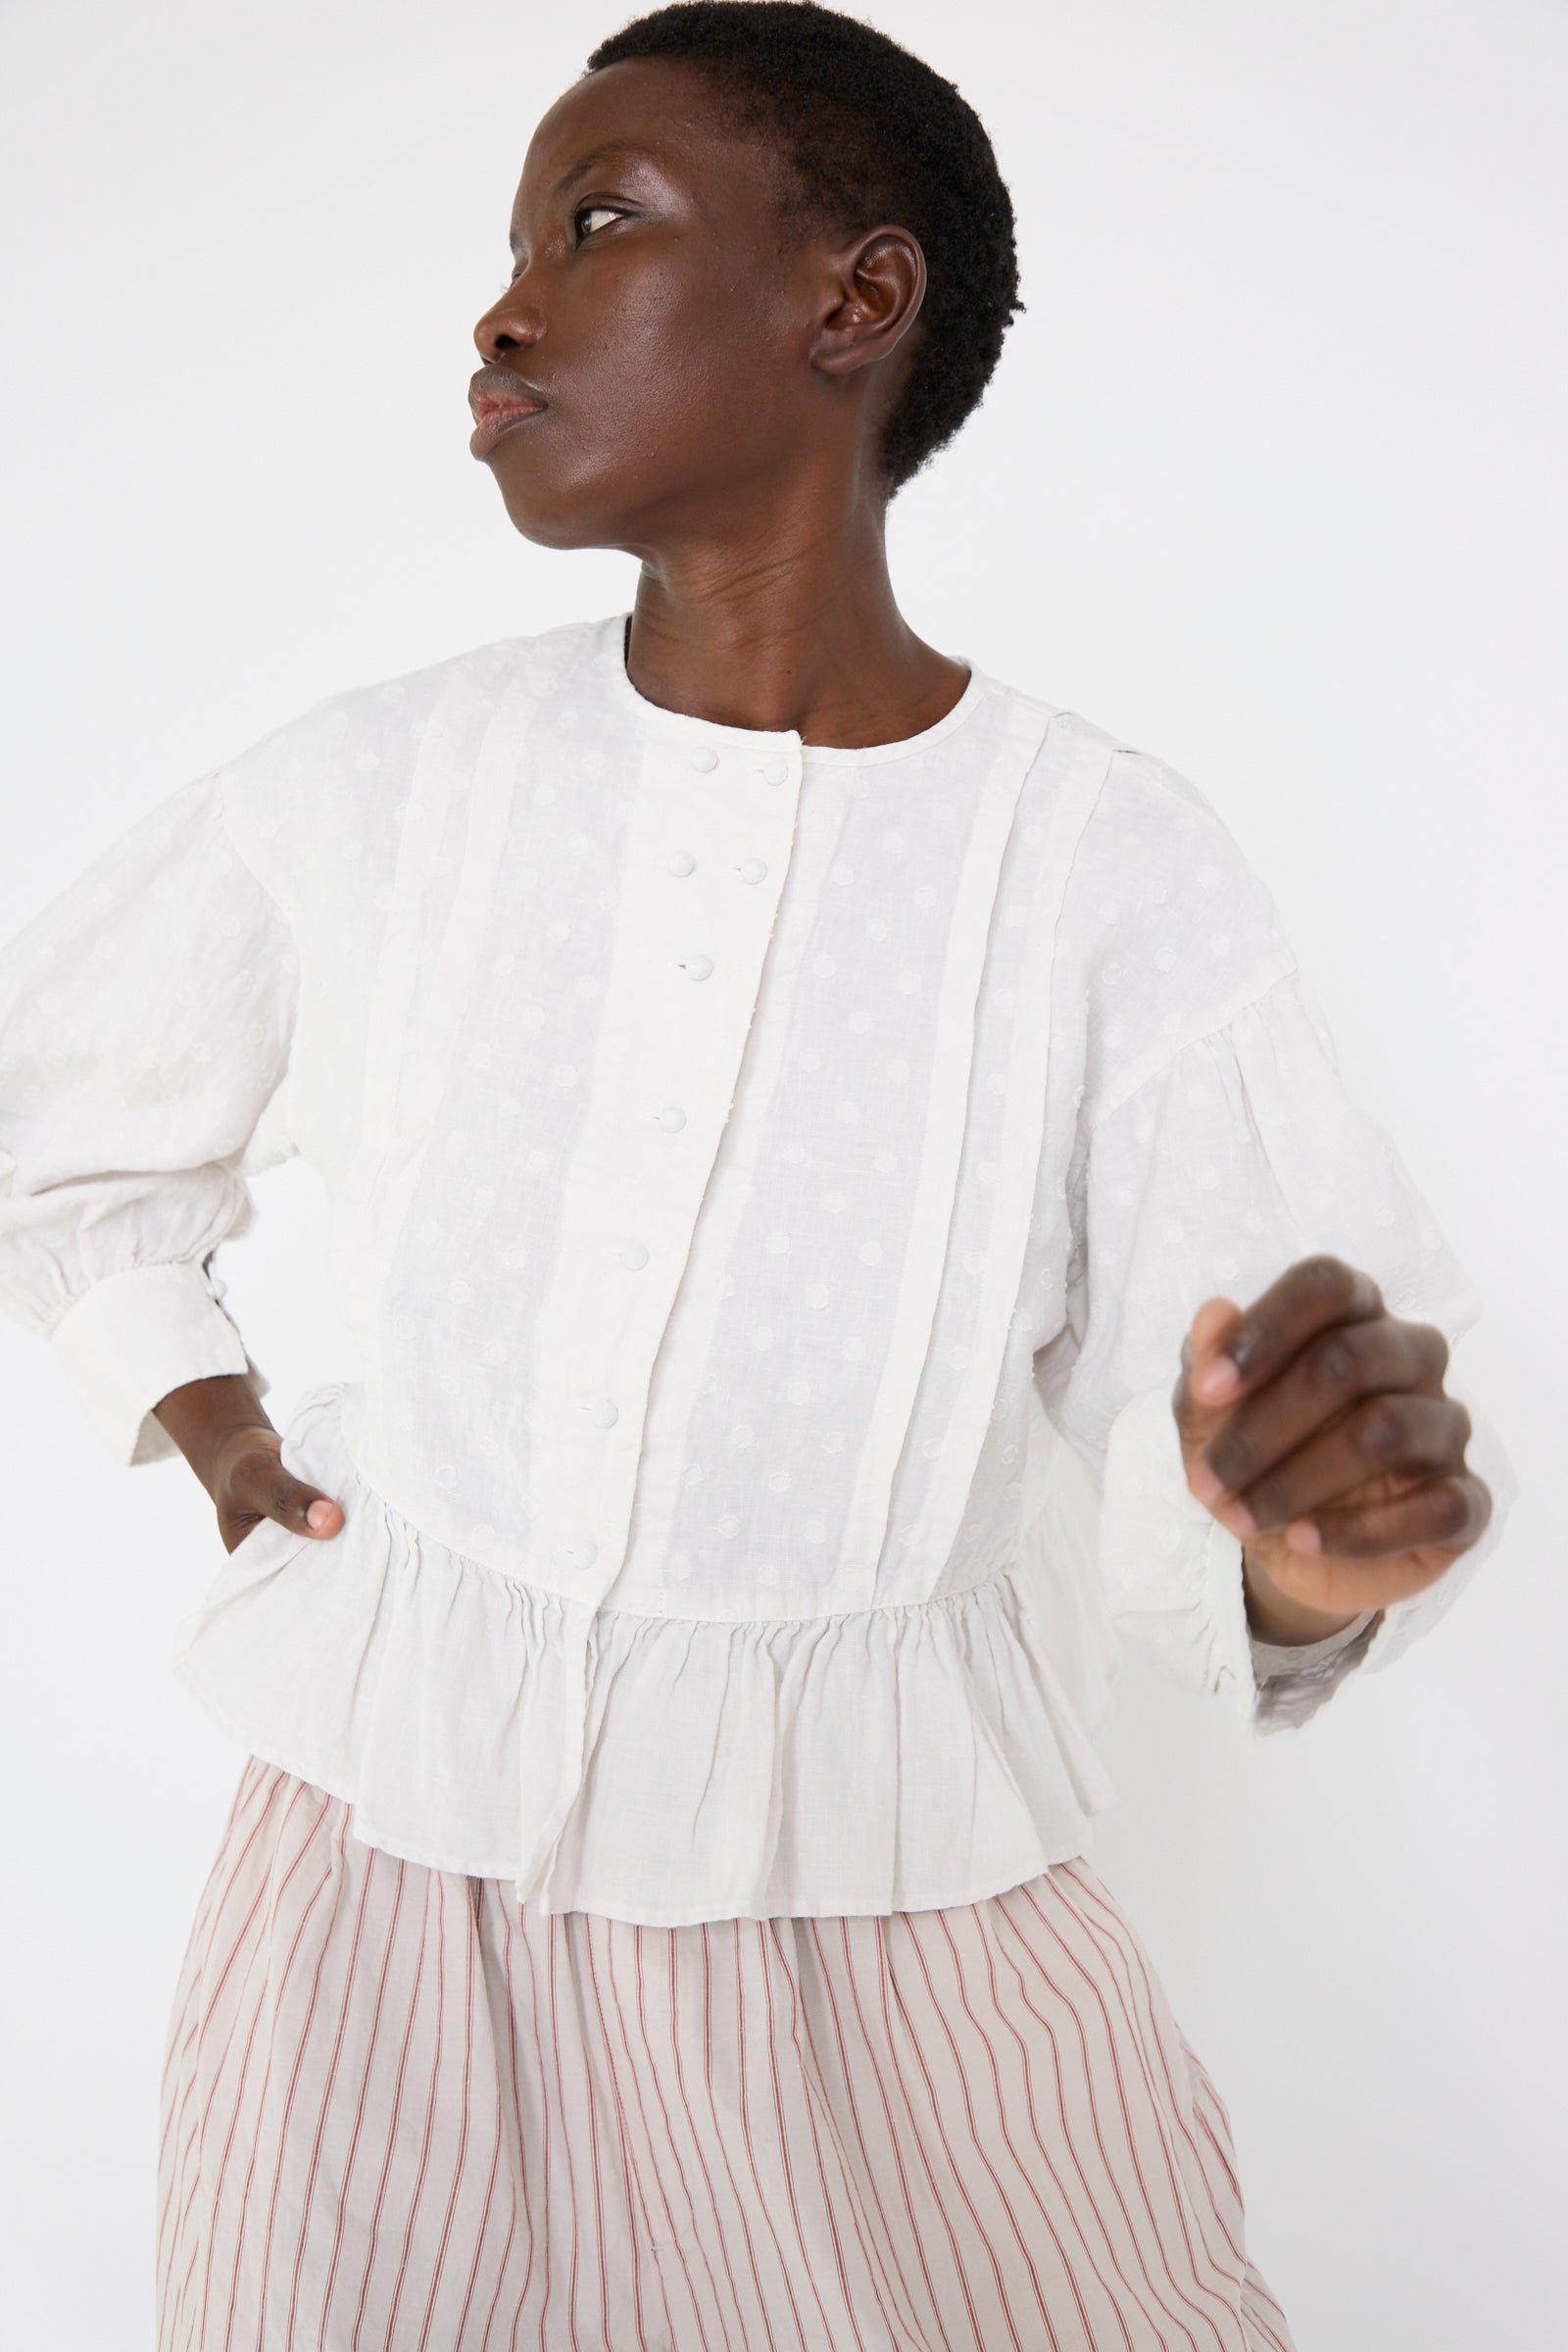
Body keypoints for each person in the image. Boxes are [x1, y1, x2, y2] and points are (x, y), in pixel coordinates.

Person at [0, 5, 1514, 2346]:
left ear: (852, 302)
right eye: (507, 244)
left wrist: (1303, 1570)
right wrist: (203, 1419)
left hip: (902, 1955)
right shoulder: (380, 789)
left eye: (595, 223)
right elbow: (56, 1116)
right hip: (383, 1923)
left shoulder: (1100, 869)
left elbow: (1236, 1476)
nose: (500, 307)